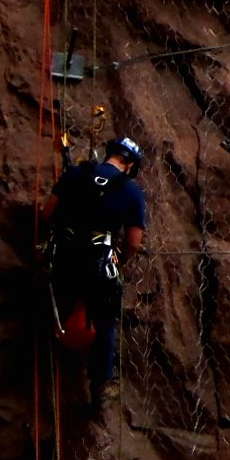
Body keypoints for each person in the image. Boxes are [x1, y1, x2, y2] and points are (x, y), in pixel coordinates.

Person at [40, 136, 147, 409]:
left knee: (55, 307)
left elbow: (47, 212)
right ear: (131, 165)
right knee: (106, 321)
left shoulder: (76, 173)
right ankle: (100, 386)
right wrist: (119, 262)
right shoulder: (132, 191)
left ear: (109, 154)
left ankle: (45, 357)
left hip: (63, 258)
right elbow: (133, 242)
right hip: (98, 265)